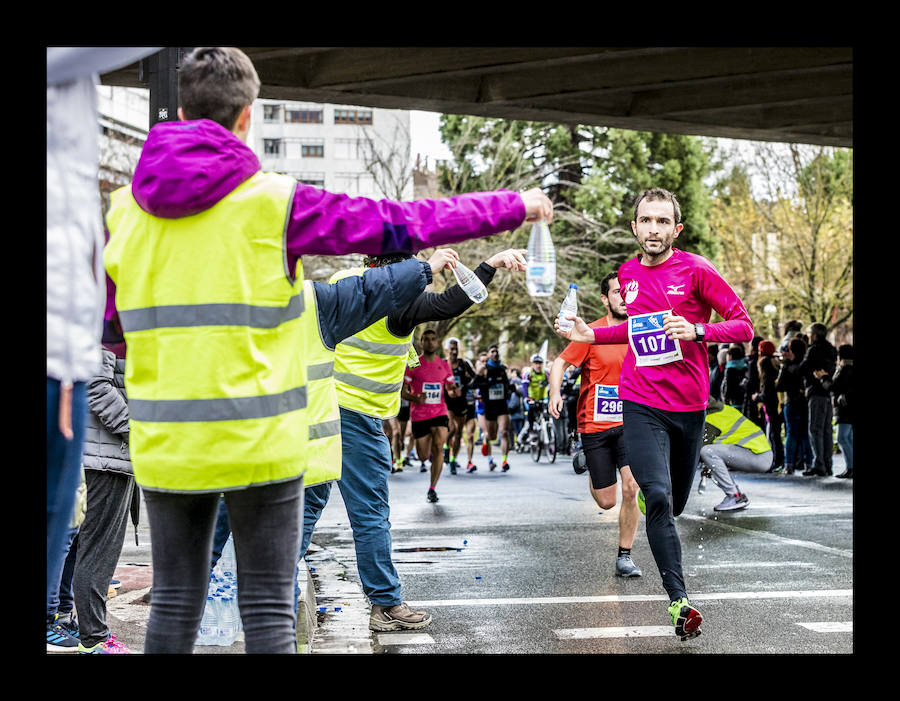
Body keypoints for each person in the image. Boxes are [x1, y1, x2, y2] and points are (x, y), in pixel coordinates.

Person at [102, 46, 551, 654]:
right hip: (260, 438)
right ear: (247, 116)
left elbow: (112, 332)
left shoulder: (124, 213)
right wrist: (512, 206)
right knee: (267, 612)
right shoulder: (276, 202)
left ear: (181, 108)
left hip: (168, 442)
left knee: (177, 602)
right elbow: (401, 221)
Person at [554, 187, 753, 641]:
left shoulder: (697, 270)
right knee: (659, 497)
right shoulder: (627, 272)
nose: (654, 230)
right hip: (640, 401)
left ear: (676, 229)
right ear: (635, 227)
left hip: (689, 407)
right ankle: (679, 603)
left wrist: (699, 330)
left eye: (664, 222)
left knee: (674, 502)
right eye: (647, 221)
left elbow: (744, 325)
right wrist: (591, 335)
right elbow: (636, 328)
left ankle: (657, 495)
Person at [302, 248, 534, 633]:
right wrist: (488, 265)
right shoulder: (396, 302)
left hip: (319, 409)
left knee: (308, 502)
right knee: (370, 515)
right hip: (357, 416)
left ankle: (268, 586)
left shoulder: (342, 281)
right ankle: (385, 604)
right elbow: (450, 303)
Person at [46, 46, 160, 620]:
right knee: (96, 542)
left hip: (108, 442)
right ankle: (87, 630)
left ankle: (73, 618)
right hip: (107, 445)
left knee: (86, 540)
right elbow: (94, 381)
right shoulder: (104, 289)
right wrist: (137, 426)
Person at [549, 271, 643, 578]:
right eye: (616, 292)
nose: (623, 297)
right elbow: (560, 362)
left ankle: (625, 555)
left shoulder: (639, 330)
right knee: (606, 501)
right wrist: (554, 393)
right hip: (595, 425)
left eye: (627, 291)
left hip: (631, 422)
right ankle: (591, 461)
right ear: (605, 298)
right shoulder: (591, 332)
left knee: (631, 488)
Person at [73, 345, 138, 654]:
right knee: (98, 552)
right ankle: (95, 639)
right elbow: (95, 386)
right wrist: (137, 433)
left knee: (87, 549)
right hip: (106, 455)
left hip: (109, 454)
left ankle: (85, 631)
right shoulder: (108, 325)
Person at [403, 329, 461, 502]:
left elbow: (450, 389)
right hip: (419, 415)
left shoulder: (444, 365)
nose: (430, 342)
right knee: (422, 455)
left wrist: (454, 392)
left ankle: (432, 488)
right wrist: (415, 398)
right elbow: (402, 392)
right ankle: (426, 457)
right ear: (421, 342)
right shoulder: (414, 364)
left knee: (438, 445)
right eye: (426, 339)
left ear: (437, 343)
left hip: (439, 413)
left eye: (433, 339)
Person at [699, 397, 773, 511]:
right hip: (760, 453)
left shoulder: (710, 419)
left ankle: (734, 496)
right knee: (708, 454)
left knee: (707, 452)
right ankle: (735, 495)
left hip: (758, 455)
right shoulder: (723, 410)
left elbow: (697, 452)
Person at [799, 323, 838, 477]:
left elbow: (803, 368)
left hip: (815, 392)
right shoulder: (831, 349)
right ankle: (828, 464)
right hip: (828, 392)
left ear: (814, 335)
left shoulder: (813, 349)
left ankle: (819, 464)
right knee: (827, 430)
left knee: (815, 429)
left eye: (809, 333)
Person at [473, 345, 514, 471]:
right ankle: (485, 440)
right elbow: (475, 384)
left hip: (502, 406)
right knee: (491, 437)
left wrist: (511, 389)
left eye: (497, 351)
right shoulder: (484, 369)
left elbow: (507, 385)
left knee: (504, 432)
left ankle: (504, 461)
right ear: (489, 354)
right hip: (489, 407)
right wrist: (485, 387)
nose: (495, 353)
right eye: (493, 351)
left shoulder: (502, 369)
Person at [776, 337, 813, 475]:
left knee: (791, 433)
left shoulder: (788, 366)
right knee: (805, 434)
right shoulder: (806, 364)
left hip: (791, 402)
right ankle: (808, 463)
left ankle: (789, 464)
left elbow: (779, 386)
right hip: (804, 402)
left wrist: (784, 366)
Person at [445, 338, 478, 473]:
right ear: (447, 350)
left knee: (459, 432)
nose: (454, 352)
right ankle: (446, 448)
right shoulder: (442, 364)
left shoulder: (464, 364)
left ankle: (453, 460)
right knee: (452, 428)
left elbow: (475, 379)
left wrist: (464, 386)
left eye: (456, 349)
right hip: (447, 402)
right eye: (451, 349)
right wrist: (447, 389)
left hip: (461, 401)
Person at [821, 344, 853, 479]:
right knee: (849, 438)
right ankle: (850, 467)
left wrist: (823, 378)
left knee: (842, 438)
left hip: (844, 409)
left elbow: (834, 387)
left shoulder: (844, 369)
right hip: (849, 408)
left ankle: (851, 467)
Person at [752, 340, 784, 472]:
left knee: (773, 435)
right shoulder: (776, 364)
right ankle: (778, 460)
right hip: (778, 405)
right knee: (775, 434)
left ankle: (776, 462)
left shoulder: (765, 365)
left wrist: (757, 397)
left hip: (771, 407)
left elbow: (766, 391)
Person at [522, 354, 549, 441]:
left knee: (546, 414)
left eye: (540, 363)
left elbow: (552, 384)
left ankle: (547, 432)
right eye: (536, 363)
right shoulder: (529, 374)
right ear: (533, 364)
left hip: (542, 398)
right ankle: (531, 430)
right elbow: (525, 386)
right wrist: (527, 397)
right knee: (531, 412)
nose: (538, 365)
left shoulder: (546, 373)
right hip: (531, 398)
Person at [742, 336, 764, 429]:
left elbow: (750, 384)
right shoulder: (768, 361)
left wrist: (744, 383)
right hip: (763, 397)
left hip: (752, 399)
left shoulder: (752, 363)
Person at [721, 343, 748, 410]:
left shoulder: (729, 370)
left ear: (730, 356)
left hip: (733, 402)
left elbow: (728, 386)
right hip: (743, 400)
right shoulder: (745, 366)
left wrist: (726, 401)